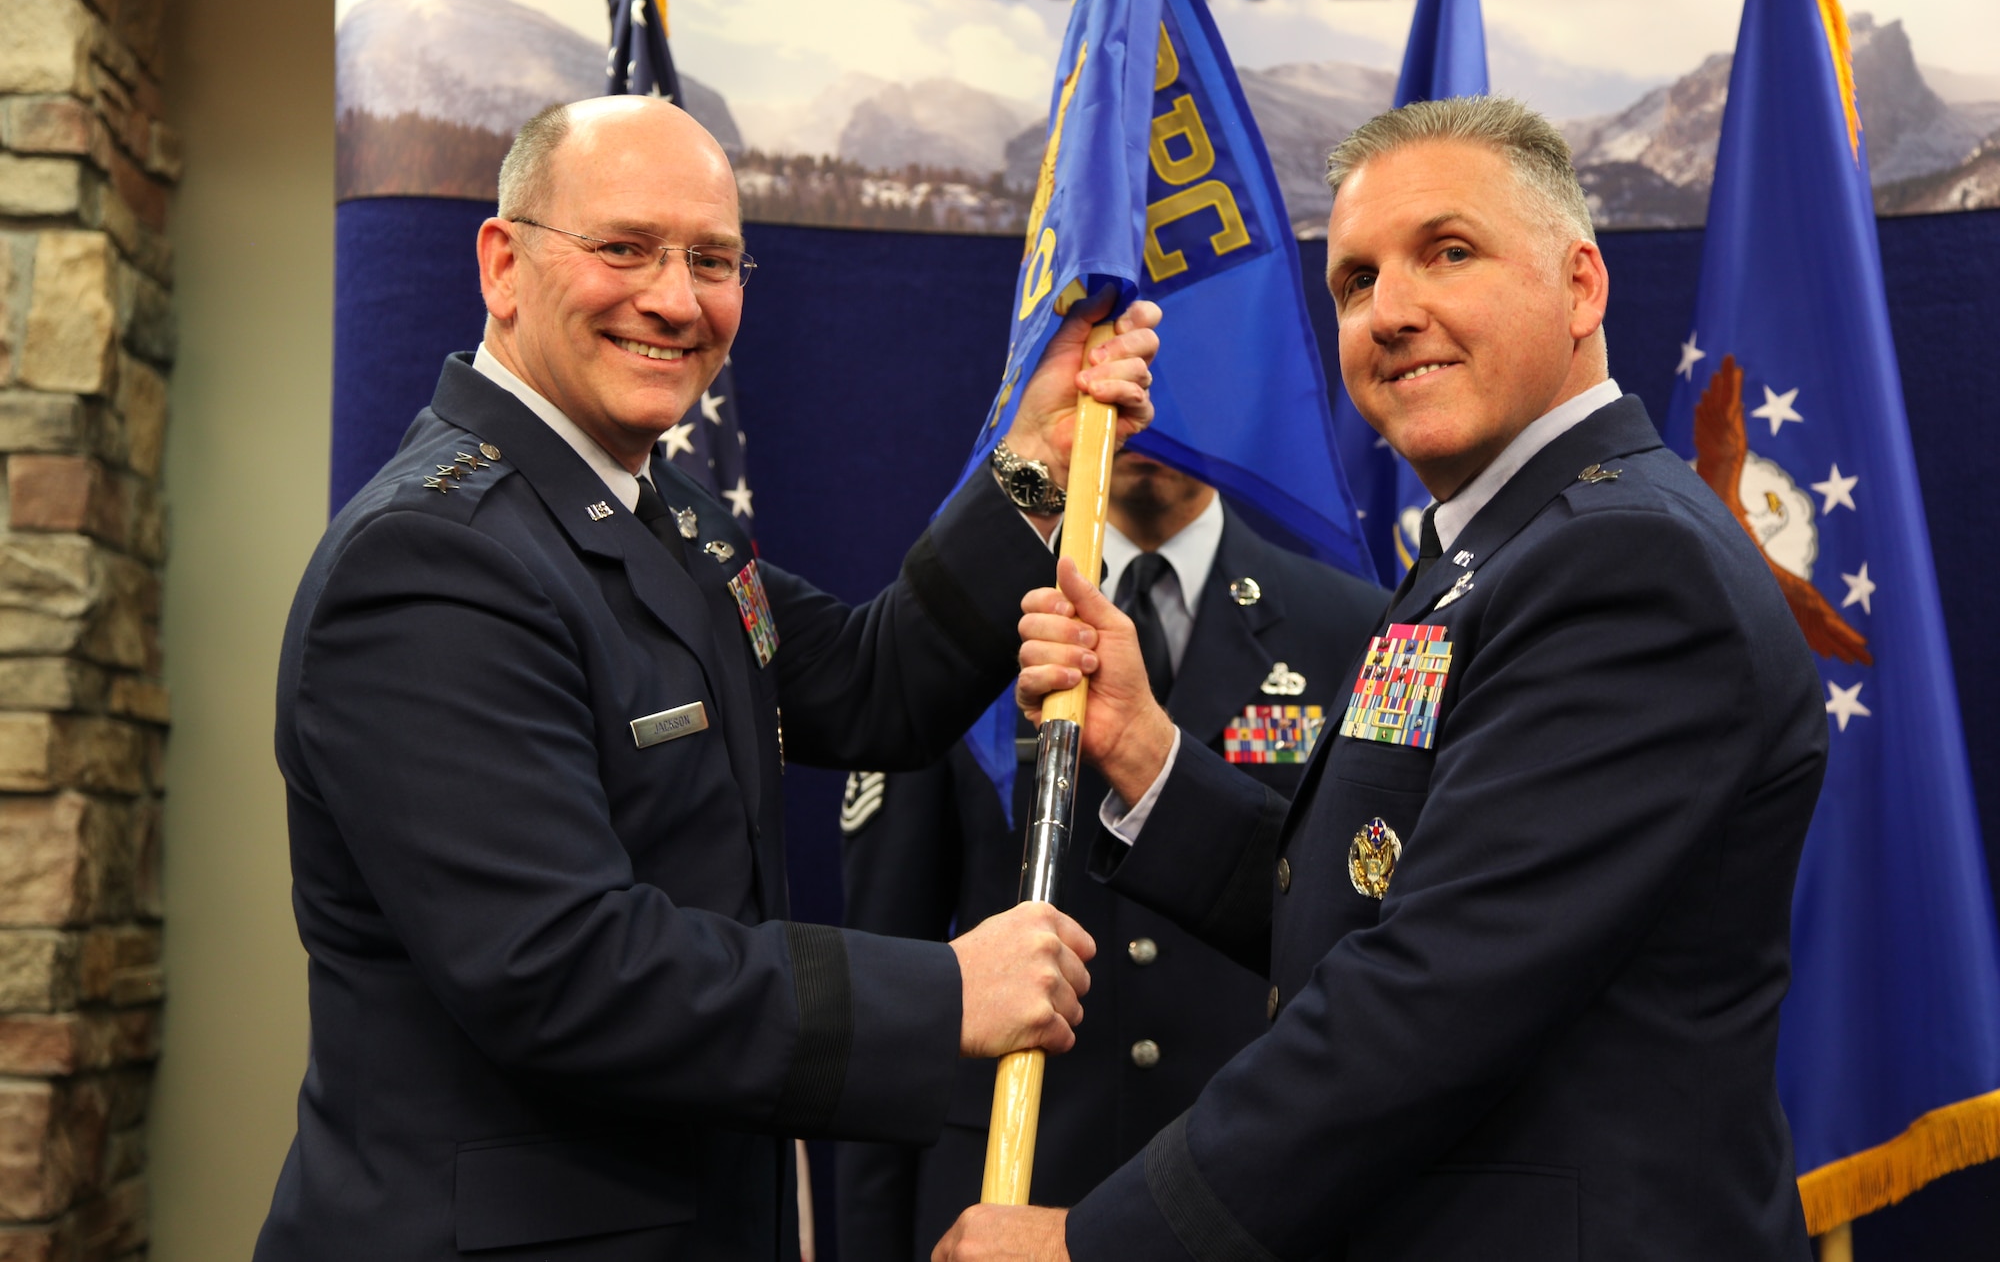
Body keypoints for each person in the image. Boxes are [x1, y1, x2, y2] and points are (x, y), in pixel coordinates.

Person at [255, 95, 1165, 1262]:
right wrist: (941, 995)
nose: (675, 299)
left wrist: (1034, 458)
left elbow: (873, 684)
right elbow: (562, 967)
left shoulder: (661, 517)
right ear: (502, 263)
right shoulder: (435, 560)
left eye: (712, 260)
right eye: (623, 248)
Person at [937, 96, 1828, 1261]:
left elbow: (1432, 990)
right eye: (1353, 283)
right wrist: (1148, 752)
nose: (1390, 312)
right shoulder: (1494, 548)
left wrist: (1095, 1243)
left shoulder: (1623, 562)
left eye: (1446, 253)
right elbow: (1366, 895)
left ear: (1580, 286)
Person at [836, 453, 1385, 1258]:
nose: (1152, 414)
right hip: (1003, 1190)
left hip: (1242, 1208)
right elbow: (888, 968)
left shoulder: (1348, 625)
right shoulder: (968, 623)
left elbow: (1361, 937)